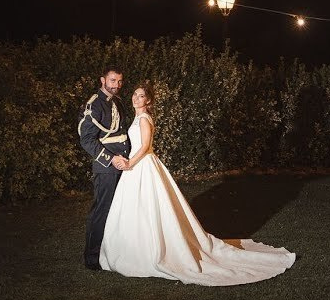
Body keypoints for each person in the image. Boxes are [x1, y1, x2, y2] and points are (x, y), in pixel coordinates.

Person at [100, 81, 296, 285]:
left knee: (148, 207)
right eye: (134, 94)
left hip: (142, 164)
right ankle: (134, 249)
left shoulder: (143, 119)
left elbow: (146, 146)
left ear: (148, 100)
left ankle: (148, 251)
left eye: (140, 96)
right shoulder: (138, 118)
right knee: (136, 207)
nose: (135, 98)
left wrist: (130, 162)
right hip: (136, 166)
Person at [78, 65, 132, 270]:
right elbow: (87, 140)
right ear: (103, 80)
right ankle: (92, 258)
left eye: (119, 81)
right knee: (102, 210)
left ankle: (115, 252)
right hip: (107, 167)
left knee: (121, 210)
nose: (116, 85)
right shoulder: (93, 105)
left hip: (125, 163)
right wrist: (111, 159)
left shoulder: (117, 102)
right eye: (112, 81)